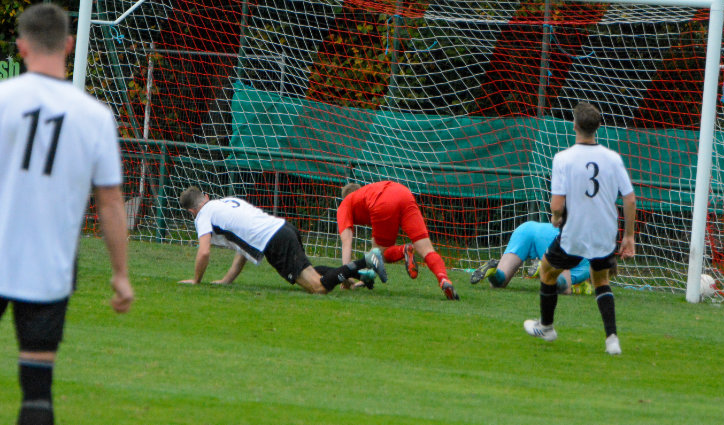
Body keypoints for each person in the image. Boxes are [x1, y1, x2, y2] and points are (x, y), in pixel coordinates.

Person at [0, 4, 134, 424]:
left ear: (21, 47)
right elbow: (110, 202)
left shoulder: (3, 99)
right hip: (50, 263)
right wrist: (120, 273)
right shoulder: (95, 116)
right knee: (37, 391)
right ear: (69, 45)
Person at [523, 102, 636, 355]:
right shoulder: (613, 158)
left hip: (575, 231)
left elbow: (557, 204)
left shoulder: (563, 158)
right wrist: (629, 236)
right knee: (601, 280)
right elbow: (629, 199)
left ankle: (547, 326)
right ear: (598, 127)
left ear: (574, 126)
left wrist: (555, 217)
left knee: (547, 269)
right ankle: (612, 340)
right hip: (605, 231)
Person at [178, 187, 386, 293]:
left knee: (318, 288)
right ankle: (360, 274)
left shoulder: (203, 215)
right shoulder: (226, 202)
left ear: (191, 212)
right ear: (205, 196)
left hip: (275, 240)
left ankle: (365, 261)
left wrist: (196, 281)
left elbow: (204, 251)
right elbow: (244, 249)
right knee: (310, 272)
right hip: (283, 228)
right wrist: (227, 281)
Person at [337, 181, 459, 300]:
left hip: (383, 201)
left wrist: (346, 276)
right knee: (426, 249)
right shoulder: (367, 192)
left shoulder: (345, 204)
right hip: (403, 193)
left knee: (379, 254)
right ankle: (444, 279)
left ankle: (403, 250)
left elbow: (346, 243)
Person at [470, 221, 593, 295]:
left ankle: (493, 271)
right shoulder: (585, 268)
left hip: (527, 229)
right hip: (556, 237)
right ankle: (543, 267)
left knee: (500, 282)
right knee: (564, 288)